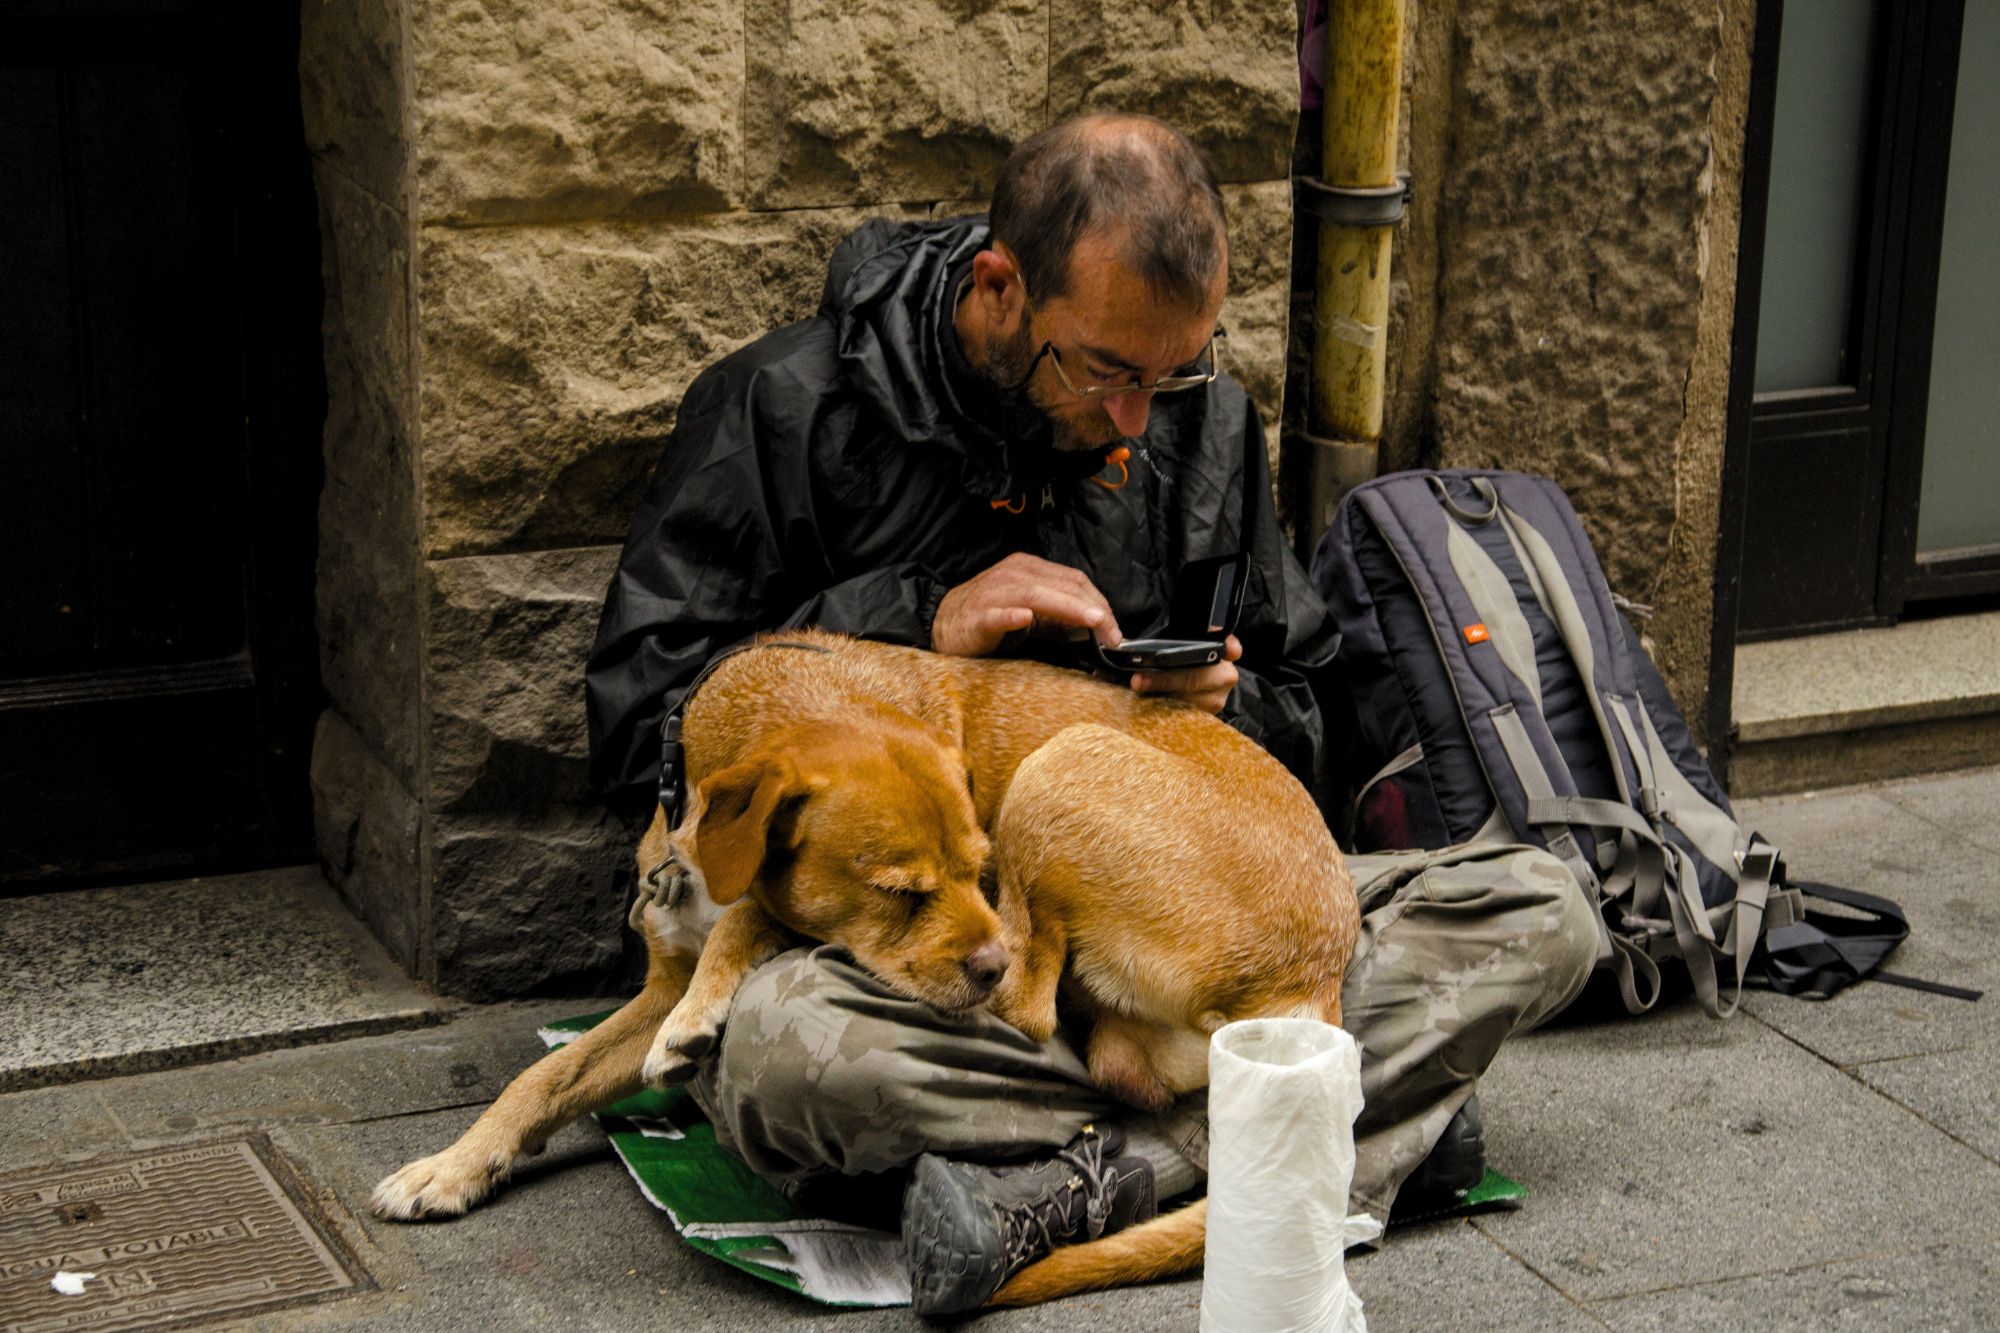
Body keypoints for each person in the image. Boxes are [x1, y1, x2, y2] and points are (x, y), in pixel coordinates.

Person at [585, 113, 1598, 1314]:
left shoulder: (1200, 419)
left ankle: (1101, 1177)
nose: (1139, 417)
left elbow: (1318, 706)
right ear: (1000, 288)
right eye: (1108, 371)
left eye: (1171, 375)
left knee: (1547, 907)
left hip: (1157, 930)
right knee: (783, 1061)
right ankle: (1328, 1122)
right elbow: (644, 716)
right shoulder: (783, 406)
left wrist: (1237, 702)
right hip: (939, 971)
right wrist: (915, 618)